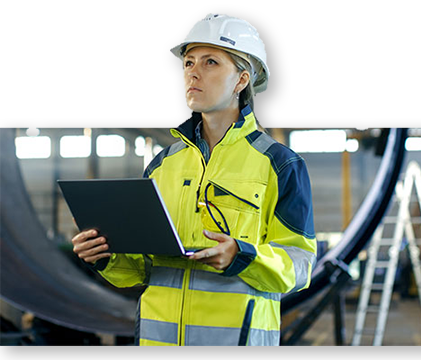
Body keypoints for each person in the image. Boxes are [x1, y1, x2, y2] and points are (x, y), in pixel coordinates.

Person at [71, 13, 317, 346]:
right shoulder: (163, 165)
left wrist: (240, 256)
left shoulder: (280, 165)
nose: (193, 73)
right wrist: (104, 255)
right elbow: (142, 269)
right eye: (188, 63)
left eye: (211, 62)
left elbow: (300, 266)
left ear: (242, 80)